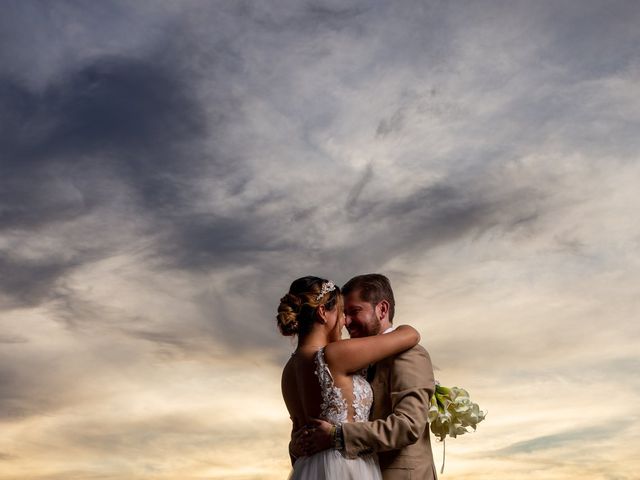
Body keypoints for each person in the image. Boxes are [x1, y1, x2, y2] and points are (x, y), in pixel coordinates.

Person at [293, 274, 438, 480]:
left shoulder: (410, 354)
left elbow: (408, 425)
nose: (346, 321)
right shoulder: (347, 357)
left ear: (382, 309)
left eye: (354, 311)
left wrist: (336, 436)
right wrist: (300, 445)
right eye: (344, 313)